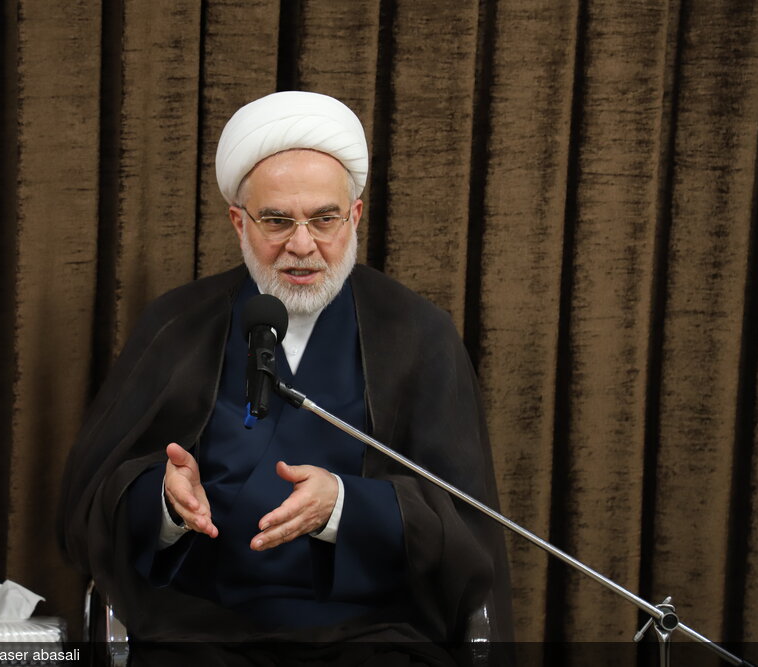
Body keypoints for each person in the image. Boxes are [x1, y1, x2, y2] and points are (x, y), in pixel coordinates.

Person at [59, 91, 513, 659]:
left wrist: (344, 505)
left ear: (354, 216)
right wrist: (166, 503)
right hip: (199, 625)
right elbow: (92, 503)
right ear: (239, 222)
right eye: (277, 221)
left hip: (372, 630)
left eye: (325, 219)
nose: (302, 246)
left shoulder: (418, 333)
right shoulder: (176, 325)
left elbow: (465, 529)